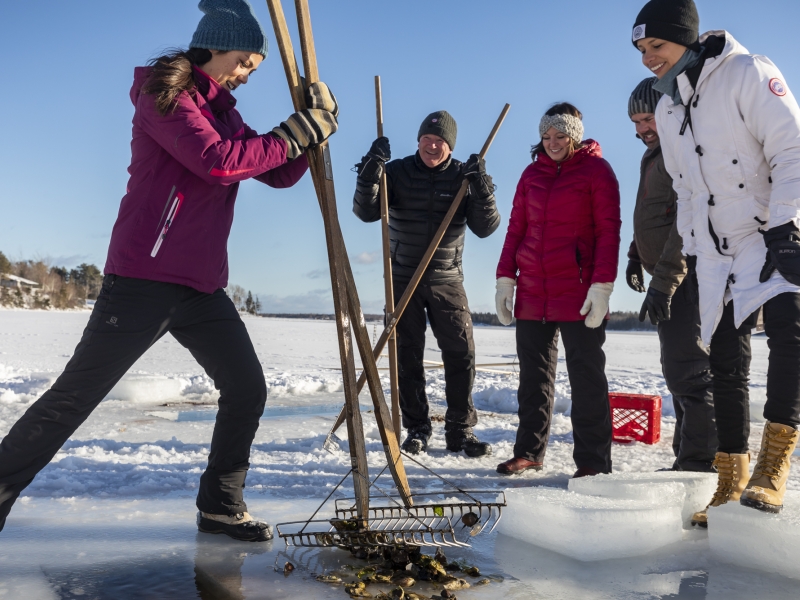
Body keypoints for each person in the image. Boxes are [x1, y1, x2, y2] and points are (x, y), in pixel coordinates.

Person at [0, 0, 339, 541]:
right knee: (73, 399)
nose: (249, 74)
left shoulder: (222, 109)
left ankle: (221, 507)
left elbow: (272, 172)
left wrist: (313, 131)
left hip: (200, 285)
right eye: (248, 61)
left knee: (247, 387)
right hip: (142, 279)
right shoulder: (166, 97)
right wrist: (295, 132)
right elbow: (220, 161)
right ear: (218, 46)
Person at [632, 0, 800, 518]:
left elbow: (792, 148)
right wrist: (683, 260)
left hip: (768, 235)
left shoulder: (749, 73)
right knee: (726, 363)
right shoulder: (668, 105)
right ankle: (730, 482)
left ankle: (773, 468)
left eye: (656, 46)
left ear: (685, 37)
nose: (647, 59)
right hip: (715, 254)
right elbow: (685, 191)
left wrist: (786, 224)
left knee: (790, 339)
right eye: (641, 50)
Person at [352, 111, 500, 457]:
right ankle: (417, 428)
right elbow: (365, 211)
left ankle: (460, 430)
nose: (432, 147)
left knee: (461, 353)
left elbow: (486, 227)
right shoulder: (397, 171)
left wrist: (482, 188)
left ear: (450, 146)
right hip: (402, 276)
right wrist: (370, 171)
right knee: (407, 356)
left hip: (446, 277)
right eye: (426, 140)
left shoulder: (464, 176)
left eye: (440, 142)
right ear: (419, 141)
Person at [494, 103, 621, 478]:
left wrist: (602, 286)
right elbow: (516, 228)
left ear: (575, 136)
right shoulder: (531, 174)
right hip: (533, 292)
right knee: (533, 379)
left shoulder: (597, 171)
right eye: (546, 137)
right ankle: (529, 452)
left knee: (586, 381)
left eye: (560, 136)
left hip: (579, 291)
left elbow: (608, 232)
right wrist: (506, 279)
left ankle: (593, 463)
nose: (552, 143)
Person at [626, 77, 717, 473]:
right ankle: (687, 454)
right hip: (667, 279)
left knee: (691, 371)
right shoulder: (655, 153)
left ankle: (700, 463)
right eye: (635, 122)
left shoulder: (680, 153)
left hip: (685, 280)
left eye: (647, 118)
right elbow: (654, 215)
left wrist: (662, 284)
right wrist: (634, 254)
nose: (641, 129)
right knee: (677, 370)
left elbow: (685, 226)